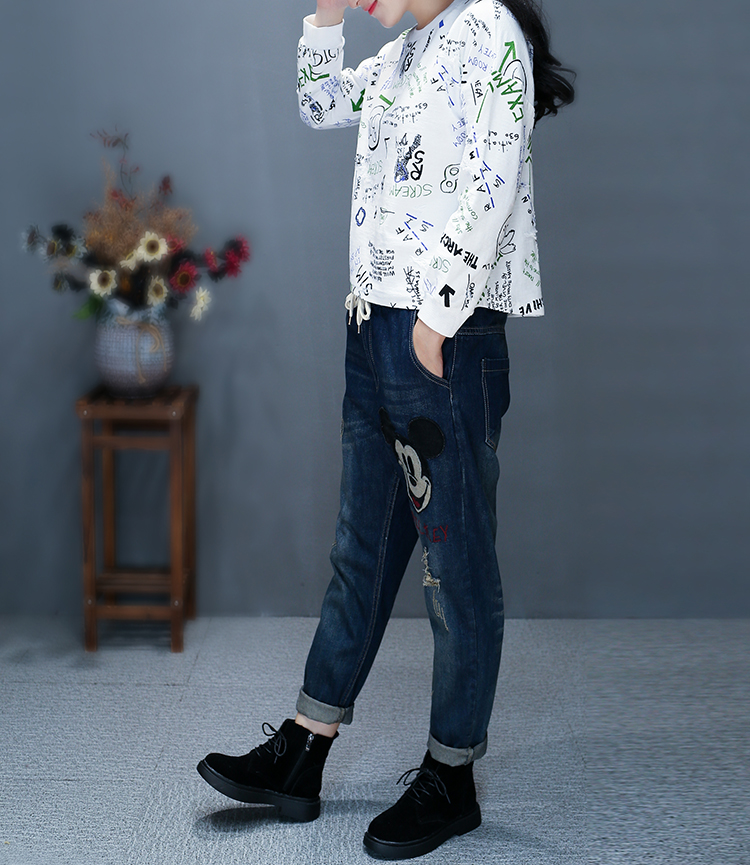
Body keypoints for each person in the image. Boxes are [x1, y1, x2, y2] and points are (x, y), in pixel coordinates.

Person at [198, 0, 574, 858]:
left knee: (455, 563)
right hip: (372, 327)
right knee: (360, 549)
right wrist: (326, 16)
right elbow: (319, 103)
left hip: (439, 336)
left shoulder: (488, 28)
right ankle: (305, 745)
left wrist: (436, 320)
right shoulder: (403, 54)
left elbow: (492, 178)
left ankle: (451, 775)